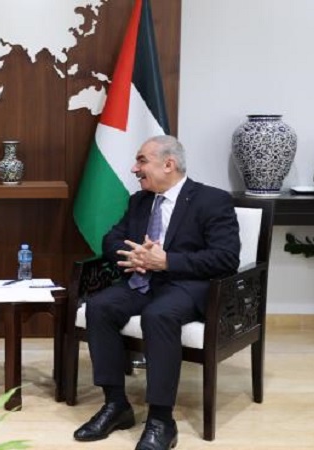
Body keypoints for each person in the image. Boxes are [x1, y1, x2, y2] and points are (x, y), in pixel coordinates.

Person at [72, 135, 240, 450]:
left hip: (186, 285)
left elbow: (226, 258)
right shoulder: (140, 201)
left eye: (142, 161)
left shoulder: (212, 200)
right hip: (142, 282)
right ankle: (115, 405)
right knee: (99, 306)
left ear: (168, 164)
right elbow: (111, 239)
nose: (135, 169)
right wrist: (134, 255)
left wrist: (167, 261)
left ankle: (161, 420)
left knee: (158, 315)